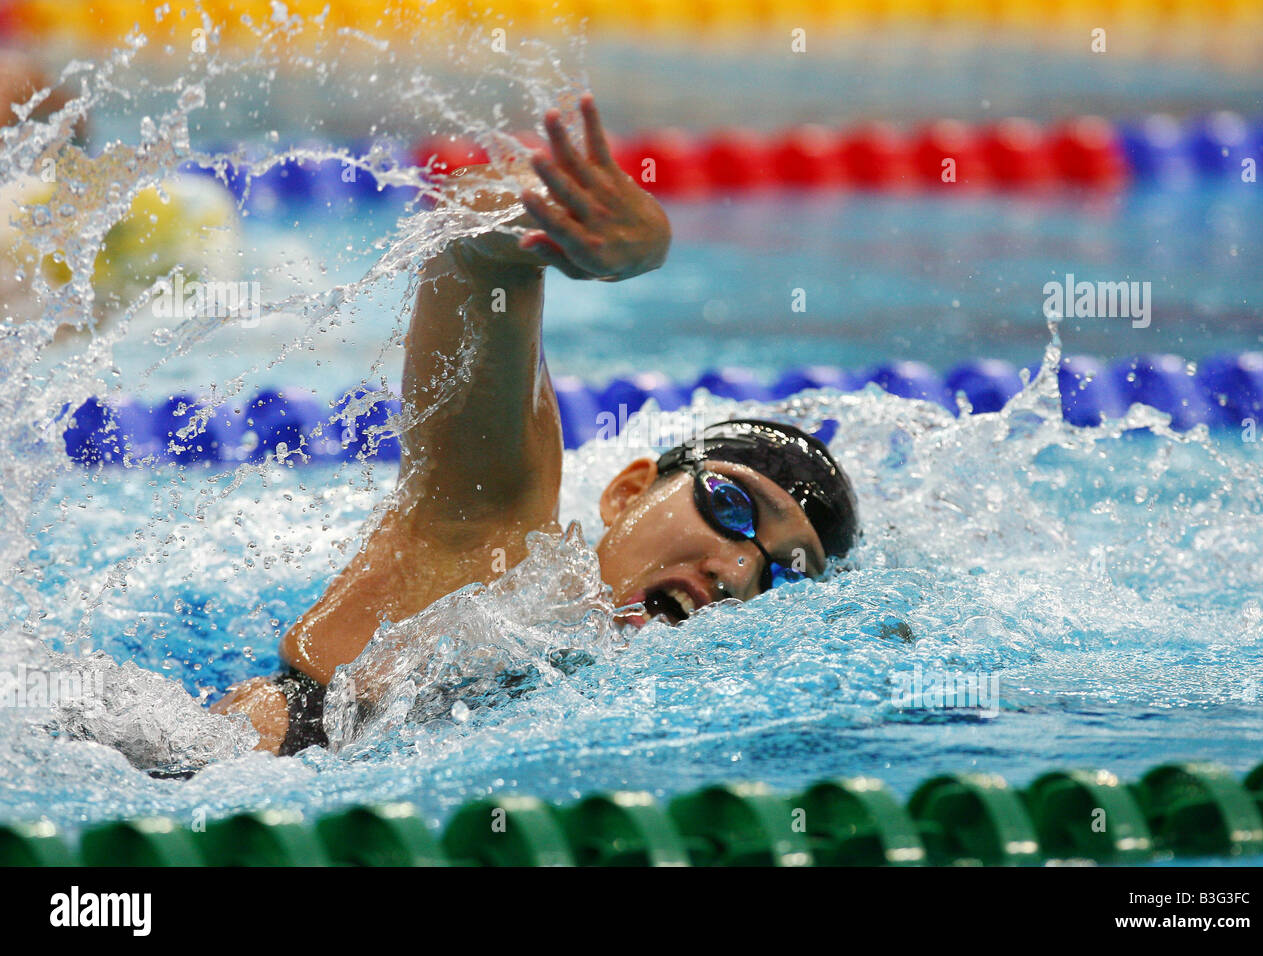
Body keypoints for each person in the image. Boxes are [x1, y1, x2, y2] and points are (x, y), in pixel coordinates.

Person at [212, 93, 858, 755]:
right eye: (731, 505)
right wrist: (565, 228)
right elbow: (470, 238)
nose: (739, 567)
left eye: (785, 574)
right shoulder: (495, 549)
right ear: (628, 491)